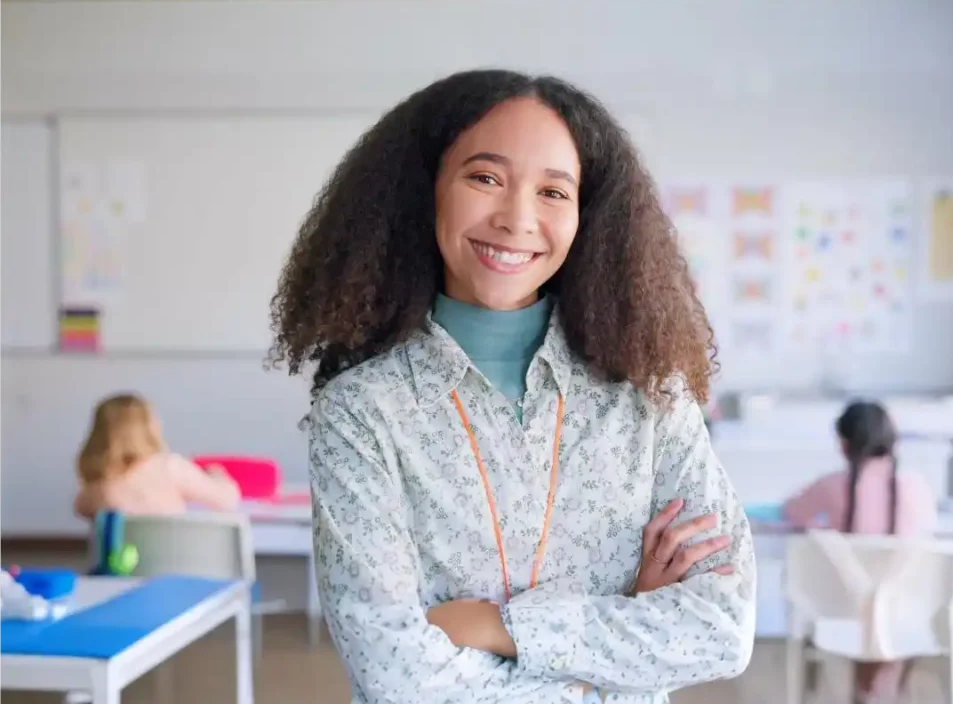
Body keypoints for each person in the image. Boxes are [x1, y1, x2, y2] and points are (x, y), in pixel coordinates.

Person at [270, 69, 755, 703]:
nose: (517, 219)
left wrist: (501, 627)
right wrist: (611, 654)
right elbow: (395, 677)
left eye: (554, 192)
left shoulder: (650, 395)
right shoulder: (362, 412)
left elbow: (723, 629)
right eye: (485, 178)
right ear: (427, 192)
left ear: (588, 215)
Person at [783, 400, 938, 702]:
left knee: (868, 600)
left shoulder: (831, 486)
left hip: (843, 611)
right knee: (888, 599)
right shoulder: (916, 487)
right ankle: (883, 686)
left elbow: (792, 513)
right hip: (906, 613)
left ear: (844, 445)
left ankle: (867, 689)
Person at [73, 393, 241, 520]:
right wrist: (218, 475)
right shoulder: (170, 467)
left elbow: (80, 507)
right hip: (177, 563)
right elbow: (227, 501)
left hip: (121, 566)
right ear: (150, 427)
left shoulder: (99, 487)